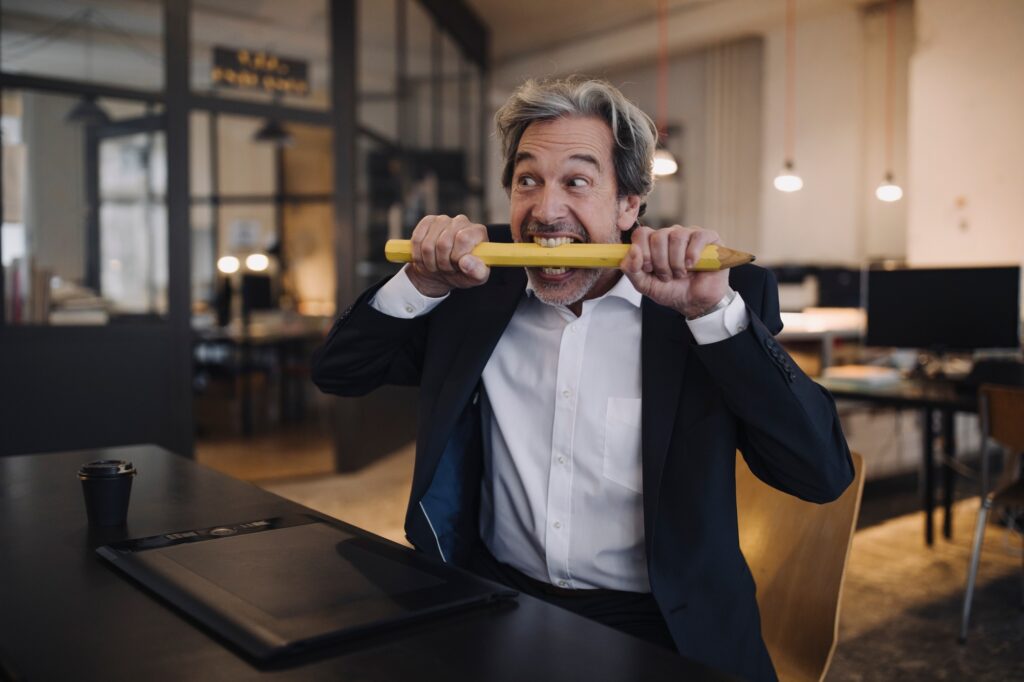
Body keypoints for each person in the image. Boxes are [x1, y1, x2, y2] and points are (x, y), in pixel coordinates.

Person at [312, 76, 853, 681]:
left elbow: (820, 474)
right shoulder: (474, 290)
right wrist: (421, 282)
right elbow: (339, 372)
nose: (545, 211)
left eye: (576, 181)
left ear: (629, 204)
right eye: (527, 181)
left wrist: (711, 316)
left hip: (664, 625)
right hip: (497, 601)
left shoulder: (711, 303)